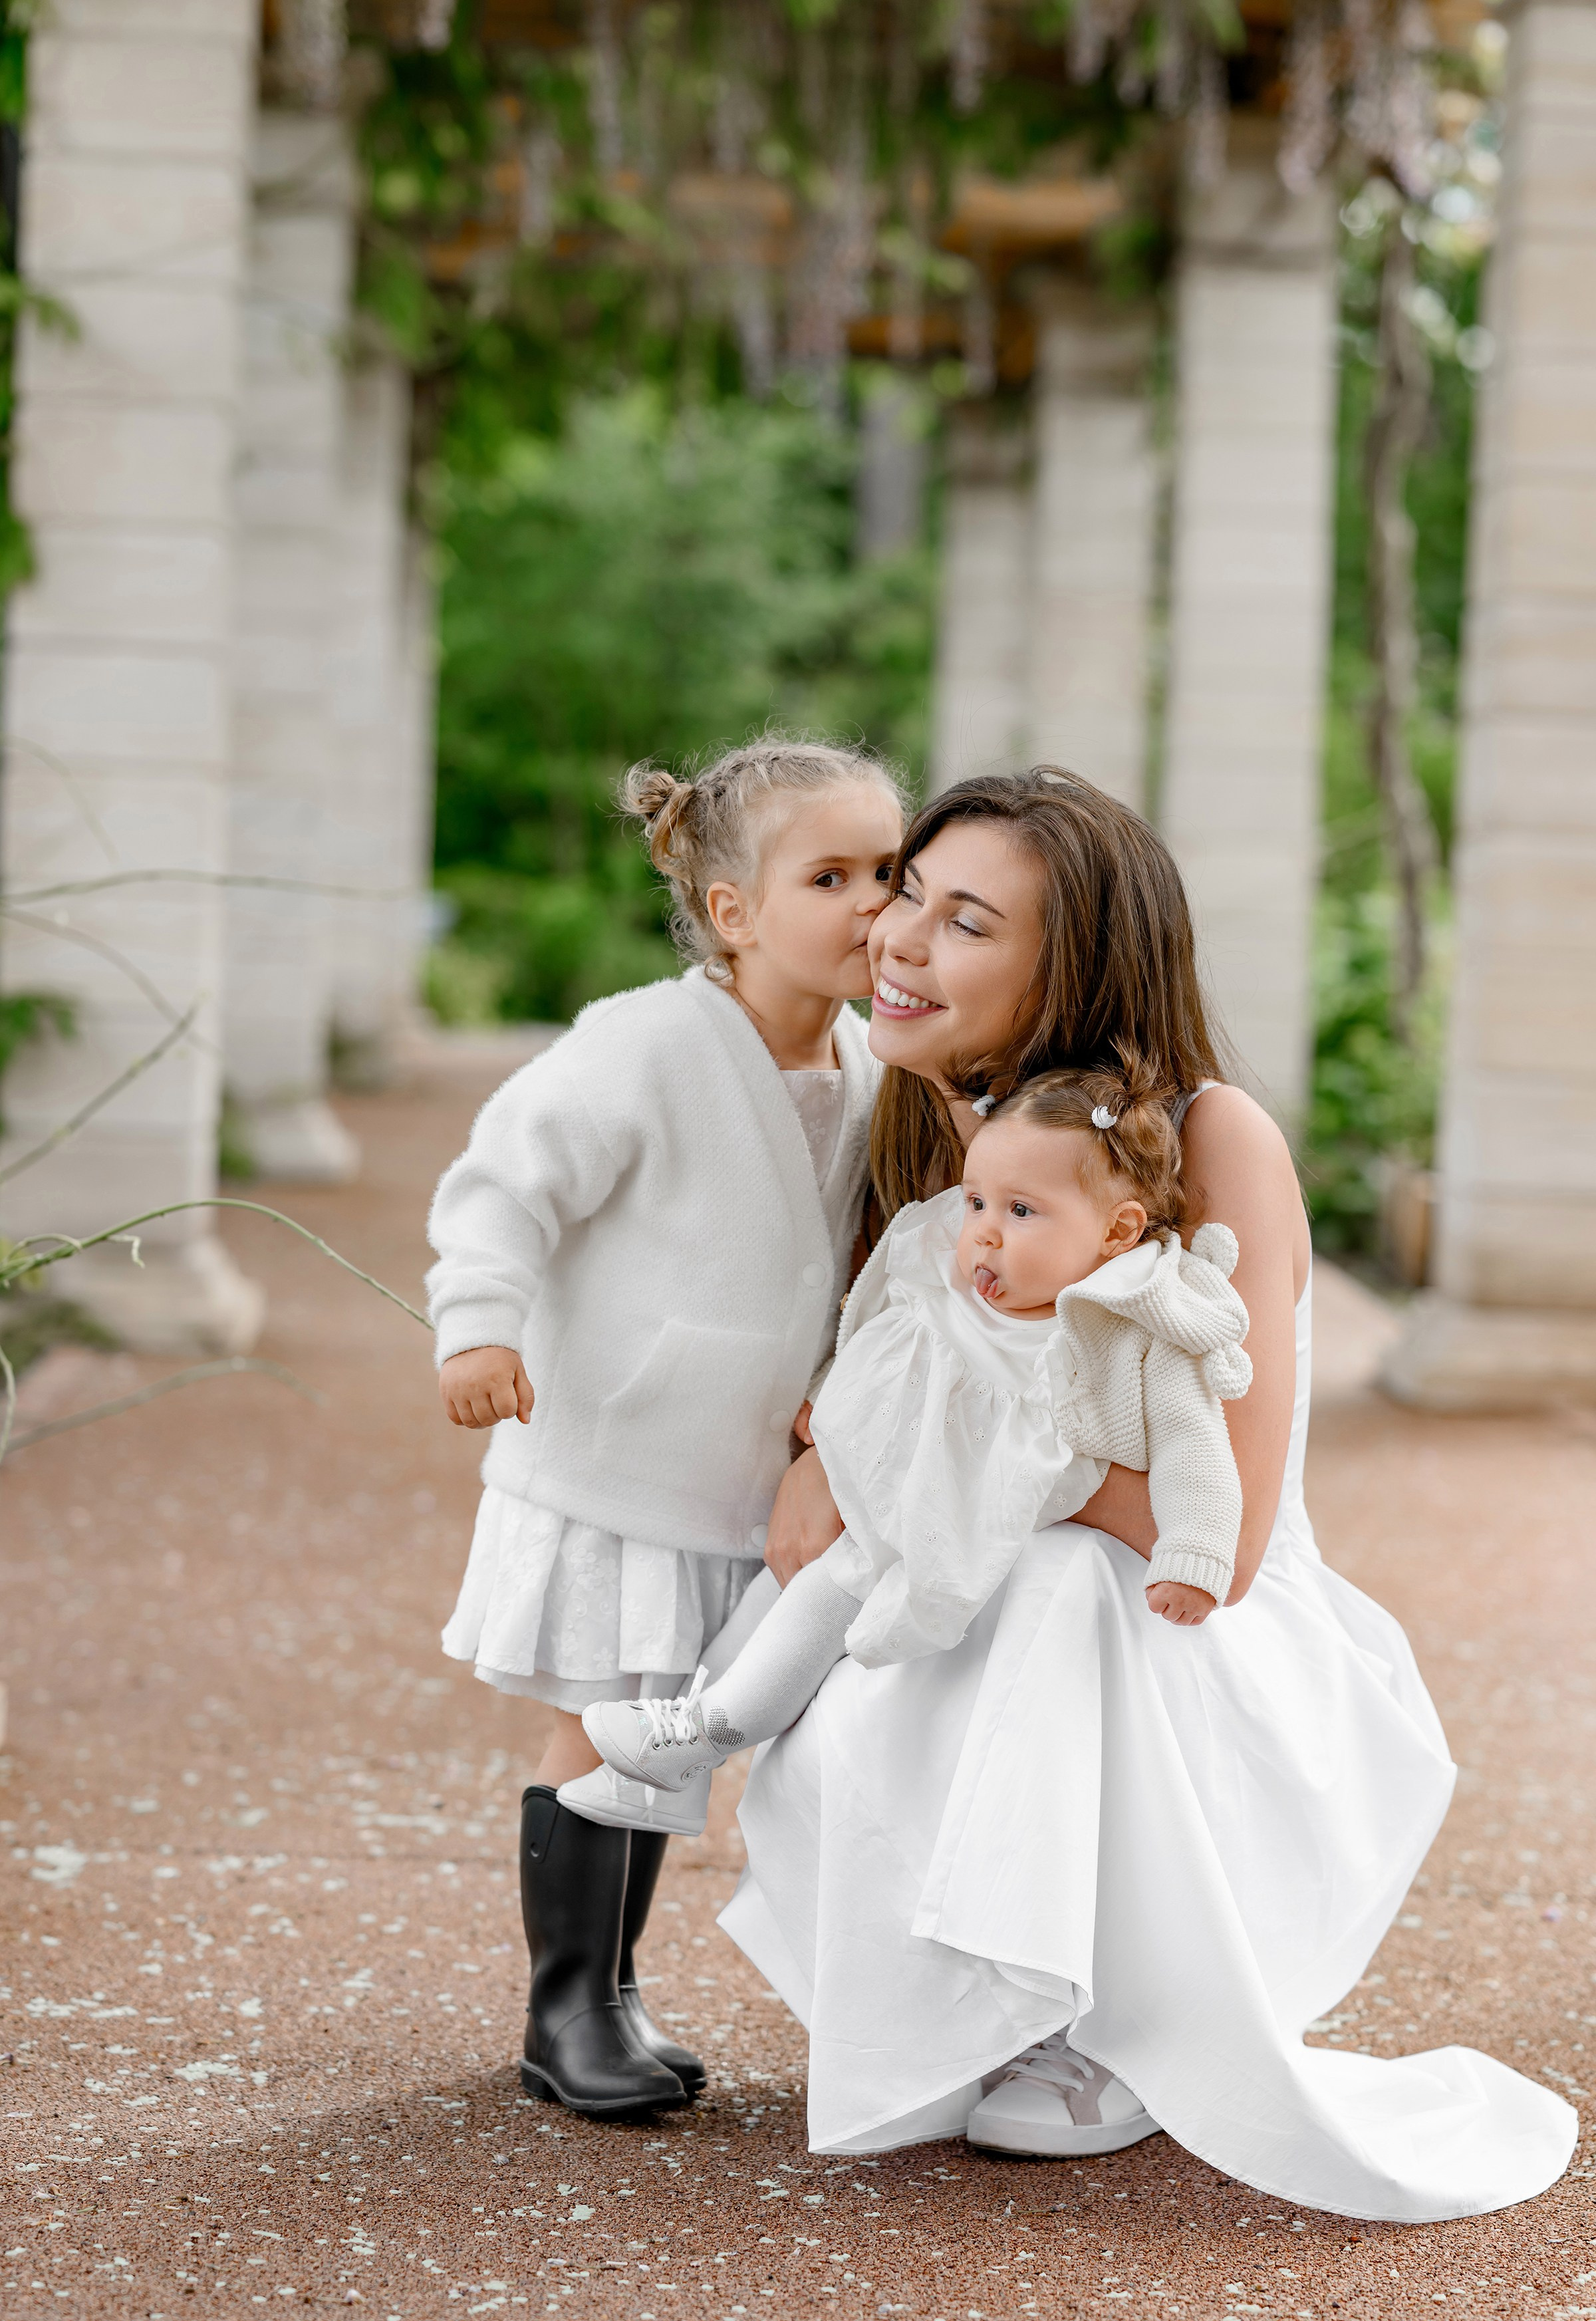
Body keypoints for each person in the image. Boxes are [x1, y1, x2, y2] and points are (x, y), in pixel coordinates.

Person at [717, 765, 1577, 2217]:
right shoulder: (945, 1128)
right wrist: (826, 1455)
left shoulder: (1212, 1135)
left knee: (1047, 1577)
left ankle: (1091, 2015)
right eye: (906, 898)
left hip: (1197, 1622)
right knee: (882, 1598)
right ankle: (947, 1977)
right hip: (999, 1579)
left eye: (966, 921)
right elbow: (884, 1380)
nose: (901, 942)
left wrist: (904, 1482)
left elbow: (1215, 1535)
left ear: (1077, 968)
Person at [425, 736, 904, 2117]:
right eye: (833, 876)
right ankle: (564, 2004)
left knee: (667, 1741)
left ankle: (621, 1987)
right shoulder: (642, 1045)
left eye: (890, 871)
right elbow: (503, 1186)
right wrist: (481, 1326)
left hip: (737, 1478)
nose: (874, 902)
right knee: (605, 1727)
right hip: (619, 1462)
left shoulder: (876, 1068)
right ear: (734, 910)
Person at [569, 1058, 1254, 1839]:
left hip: (963, 1524)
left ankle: (709, 1733)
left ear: (1118, 1230)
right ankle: (677, 1761)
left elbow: (1197, 1447)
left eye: (1023, 1211)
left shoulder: (1133, 1323)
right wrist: (832, 1395)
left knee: (836, 1586)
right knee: (779, 1589)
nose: (985, 1231)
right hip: (904, 1491)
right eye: (976, 1202)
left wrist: (1196, 1553)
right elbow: (887, 1344)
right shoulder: (958, 1283)